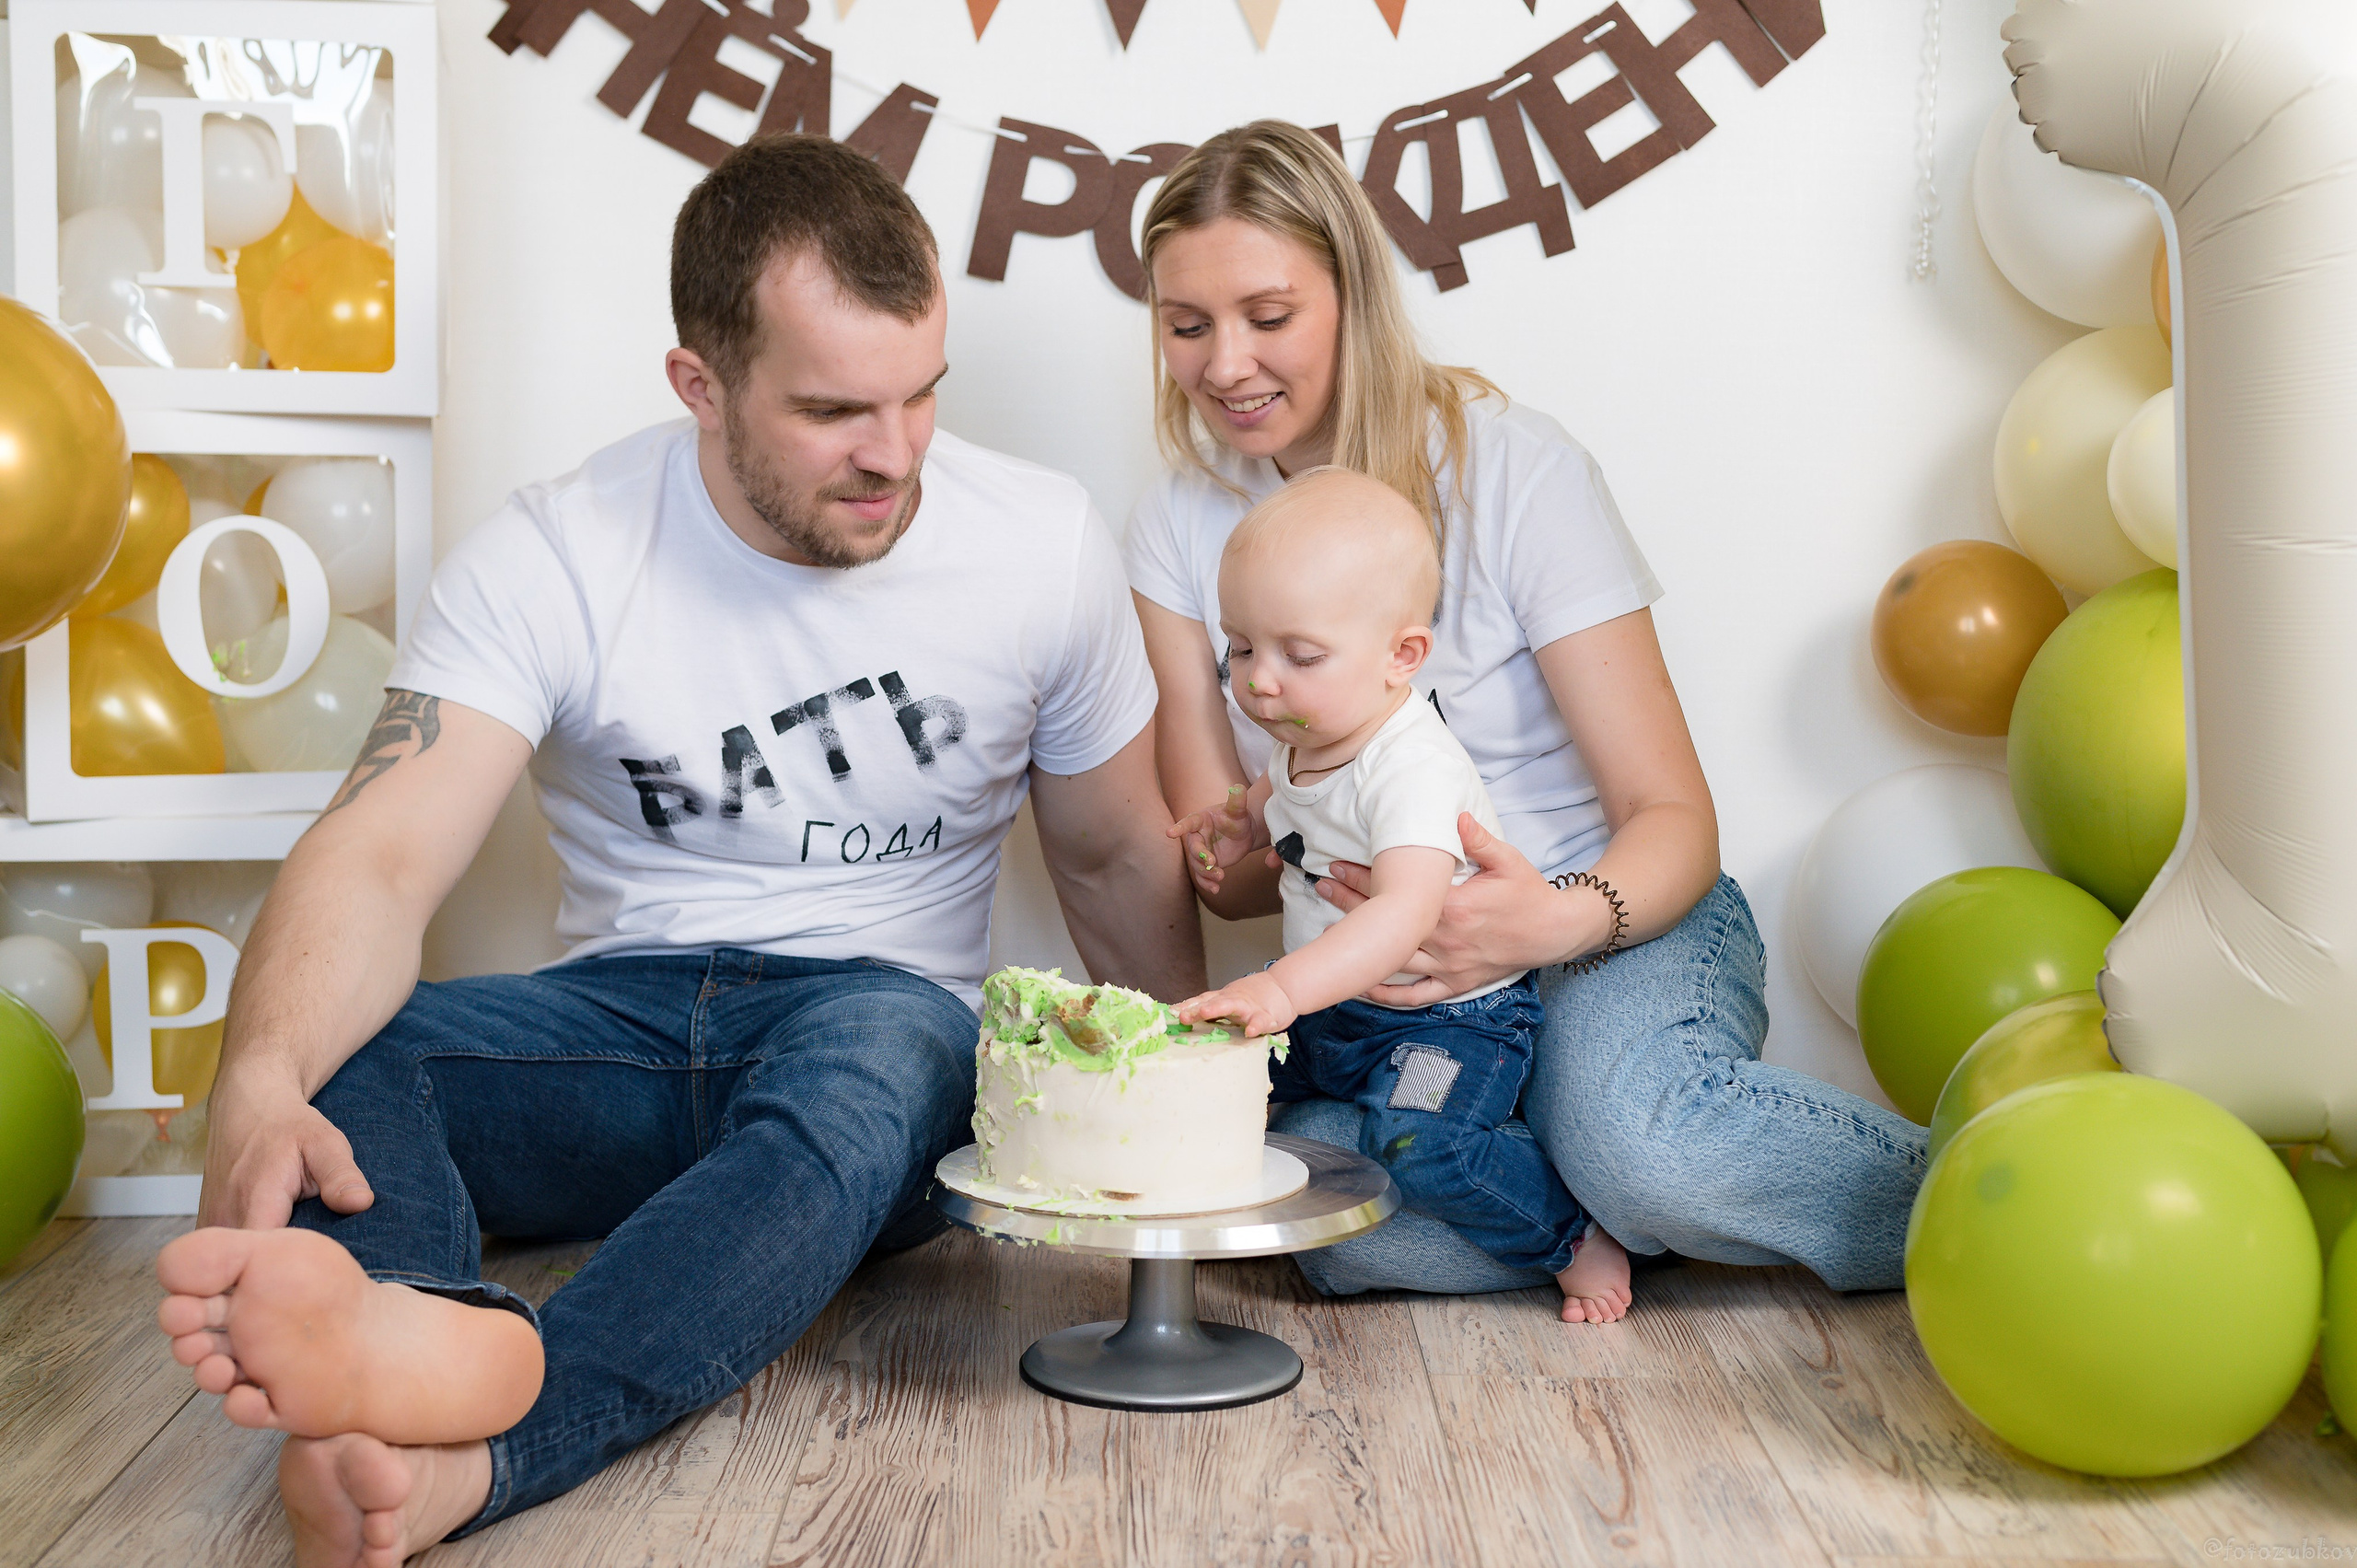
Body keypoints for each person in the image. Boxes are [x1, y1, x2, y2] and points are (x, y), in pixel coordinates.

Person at [151, 134, 1202, 1567]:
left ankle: (498, 1433)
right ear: (699, 385)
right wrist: (257, 1075)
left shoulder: (1041, 541)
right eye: (835, 409)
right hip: (625, 1022)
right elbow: (379, 853)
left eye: (920, 395)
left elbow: (1110, 860)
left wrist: (1211, 1135)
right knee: (344, 1051)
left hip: (877, 1026)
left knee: (894, 1049)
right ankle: (407, 1338)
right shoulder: (562, 548)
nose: (894, 453)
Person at [1127, 120, 1927, 1302]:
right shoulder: (1177, 523)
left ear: (1352, 294)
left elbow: (1671, 818)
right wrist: (1239, 846)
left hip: (1612, 921)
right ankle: (1595, 1174)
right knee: (1339, 1235)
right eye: (1187, 326)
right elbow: (1237, 878)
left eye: (1269, 315)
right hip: (1400, 996)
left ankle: (1979, 1186)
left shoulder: (1513, 470)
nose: (1226, 364)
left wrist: (1540, 924)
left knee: (1637, 1147)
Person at [1171, 468, 1631, 1323]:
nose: (1260, 683)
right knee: (1216, 1086)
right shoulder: (1309, 729)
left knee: (1423, 1147)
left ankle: (1571, 1236)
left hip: (1442, 1021)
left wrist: (1277, 988)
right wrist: (1239, 824)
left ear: (1402, 658)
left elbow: (1403, 911)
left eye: (1299, 656)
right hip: (1336, 1008)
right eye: (1240, 649)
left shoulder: (1413, 765)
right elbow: (1284, 797)